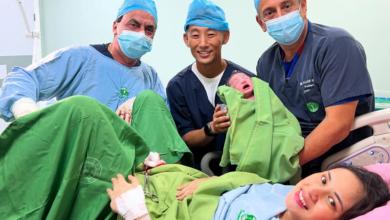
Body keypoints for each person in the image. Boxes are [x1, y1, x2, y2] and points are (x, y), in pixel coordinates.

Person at [254, 0, 374, 177]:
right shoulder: (266, 63)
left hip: (344, 161)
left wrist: (286, 165)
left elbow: (338, 125)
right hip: (293, 161)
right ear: (261, 23)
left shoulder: (336, 45)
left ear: (303, 6)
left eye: (287, 6)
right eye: (270, 13)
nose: (280, 17)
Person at [0, 0, 167, 123]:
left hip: (126, 167)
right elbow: (21, 79)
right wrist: (25, 111)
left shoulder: (150, 78)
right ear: (115, 27)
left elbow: (162, 124)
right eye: (133, 24)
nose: (141, 33)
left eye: (149, 29)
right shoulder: (80, 59)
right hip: (73, 160)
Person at [107, 165, 390, 220]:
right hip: (187, 192)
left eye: (331, 201)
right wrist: (207, 181)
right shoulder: (286, 193)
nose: (313, 189)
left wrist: (137, 213)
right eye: (325, 179)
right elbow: (243, 182)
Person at [166, 0, 255, 169]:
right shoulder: (178, 87)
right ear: (186, 39)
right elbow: (184, 140)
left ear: (225, 37)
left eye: (211, 34)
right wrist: (211, 128)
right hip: (198, 173)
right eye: (195, 35)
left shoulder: (246, 81)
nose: (203, 43)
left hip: (243, 171)